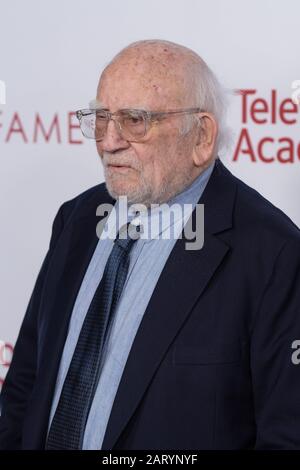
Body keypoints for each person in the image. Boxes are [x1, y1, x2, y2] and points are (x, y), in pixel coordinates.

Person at [0, 39, 300, 450]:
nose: (109, 141)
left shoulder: (274, 255)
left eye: (135, 120)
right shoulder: (77, 218)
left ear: (202, 136)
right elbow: (25, 388)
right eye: (101, 118)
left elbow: (285, 435)